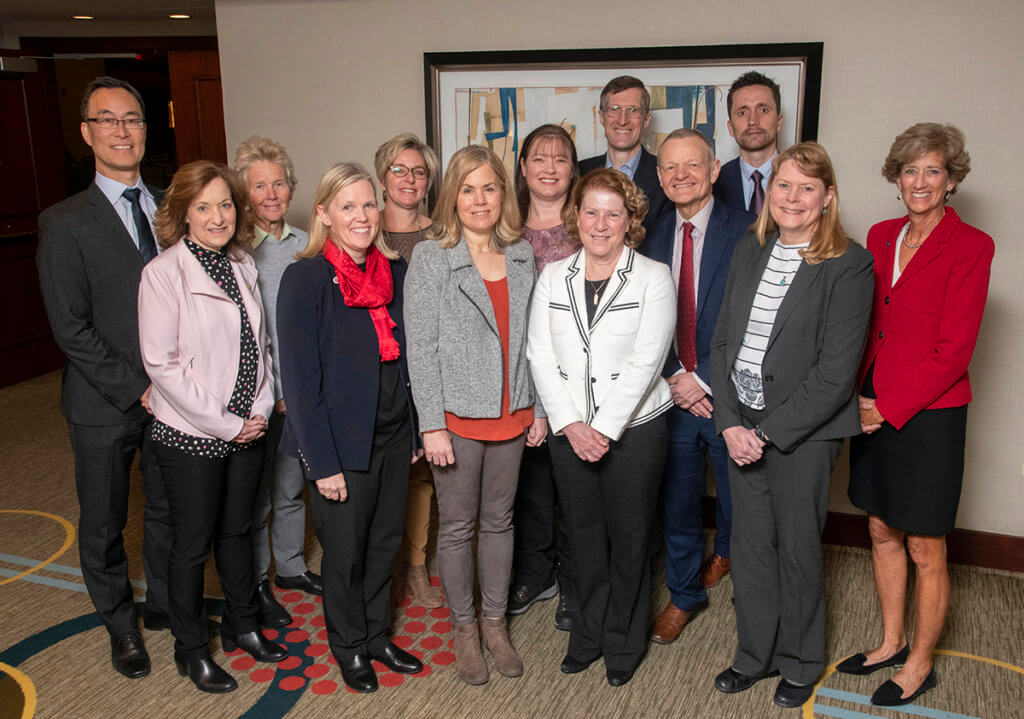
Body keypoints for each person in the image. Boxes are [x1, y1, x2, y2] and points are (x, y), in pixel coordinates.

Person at [710, 142, 873, 709]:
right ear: (769, 192)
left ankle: (802, 660)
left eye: (808, 187)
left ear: (827, 197)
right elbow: (724, 342)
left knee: (798, 548)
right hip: (741, 424)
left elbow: (834, 375)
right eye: (784, 185)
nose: (793, 197)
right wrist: (731, 423)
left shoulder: (849, 263)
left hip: (801, 434)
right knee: (751, 548)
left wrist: (768, 434)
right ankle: (755, 655)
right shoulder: (749, 251)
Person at [838, 123, 994, 708]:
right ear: (895, 178)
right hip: (870, 402)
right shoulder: (879, 235)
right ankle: (889, 641)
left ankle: (920, 663)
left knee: (926, 544)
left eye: (933, 170)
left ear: (951, 180)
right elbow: (863, 321)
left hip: (927, 413)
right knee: (880, 528)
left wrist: (887, 407)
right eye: (910, 170)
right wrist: (855, 398)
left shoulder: (973, 246)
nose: (920, 181)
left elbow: (953, 351)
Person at [36, 76, 172, 679]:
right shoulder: (64, 223)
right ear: (88, 133)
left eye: (133, 119)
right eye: (108, 120)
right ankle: (121, 628)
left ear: (146, 129)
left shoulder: (172, 209)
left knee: (171, 510)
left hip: (175, 400)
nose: (123, 131)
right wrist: (136, 386)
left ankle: (169, 606)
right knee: (104, 522)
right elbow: (71, 330)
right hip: (103, 403)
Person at [138, 161, 288, 693]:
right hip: (194, 435)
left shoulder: (242, 263)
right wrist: (227, 423)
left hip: (249, 426)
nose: (217, 216)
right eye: (203, 206)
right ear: (182, 214)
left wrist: (262, 409)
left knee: (238, 531)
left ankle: (244, 626)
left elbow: (259, 347)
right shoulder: (163, 273)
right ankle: (191, 648)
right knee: (192, 544)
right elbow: (163, 366)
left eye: (225, 203)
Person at [276, 162, 424, 693]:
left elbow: (404, 363)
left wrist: (409, 431)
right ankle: (349, 647)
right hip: (339, 445)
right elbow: (299, 380)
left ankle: (377, 634)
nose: (361, 216)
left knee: (385, 543)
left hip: (389, 436)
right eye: (347, 206)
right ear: (324, 214)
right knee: (346, 553)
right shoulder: (306, 277)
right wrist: (323, 463)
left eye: (368, 204)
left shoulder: (393, 271)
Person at [528, 168, 676, 687]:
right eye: (591, 211)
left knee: (629, 537)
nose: (600, 222)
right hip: (572, 428)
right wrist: (570, 423)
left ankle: (623, 642)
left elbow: (647, 361)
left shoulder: (653, 277)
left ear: (631, 219)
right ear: (576, 217)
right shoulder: (554, 276)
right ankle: (587, 636)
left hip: (635, 429)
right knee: (583, 536)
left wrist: (604, 429)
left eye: (614, 212)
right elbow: (540, 354)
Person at [405, 145, 546, 685]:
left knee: (499, 522)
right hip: (457, 419)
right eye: (468, 189)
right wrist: (431, 423)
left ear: (503, 194)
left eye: (489, 187)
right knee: (459, 527)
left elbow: (532, 340)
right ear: (452, 197)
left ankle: (494, 623)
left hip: (513, 414)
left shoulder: (521, 254)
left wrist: (533, 405)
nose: (480, 199)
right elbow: (422, 347)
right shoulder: (432, 257)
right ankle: (464, 628)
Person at [642, 129, 754, 645]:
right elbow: (638, 317)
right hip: (669, 398)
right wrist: (673, 375)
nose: (680, 176)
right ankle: (684, 594)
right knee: (679, 502)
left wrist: (703, 377)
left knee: (738, 499)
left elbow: (755, 318)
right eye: (669, 167)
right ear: (660, 176)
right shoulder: (648, 233)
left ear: (714, 171)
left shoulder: (750, 230)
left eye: (692, 166)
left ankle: (732, 559)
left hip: (728, 393)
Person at [233, 135, 320, 632]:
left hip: (300, 394)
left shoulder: (308, 244)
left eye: (279, 183)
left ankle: (290, 567)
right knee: (257, 499)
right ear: (244, 192)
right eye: (259, 185)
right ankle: (259, 581)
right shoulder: (236, 248)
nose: (271, 194)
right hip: (258, 397)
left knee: (290, 489)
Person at [508, 124, 580, 630]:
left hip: (578, 381)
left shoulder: (591, 227)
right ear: (524, 168)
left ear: (573, 170)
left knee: (576, 487)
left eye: (560, 159)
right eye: (539, 157)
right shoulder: (503, 232)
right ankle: (536, 572)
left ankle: (575, 582)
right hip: (518, 380)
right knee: (528, 485)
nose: (549, 167)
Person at [372, 132, 444, 609]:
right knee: (381, 470)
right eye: (399, 170)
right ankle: (383, 564)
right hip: (378, 367)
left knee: (422, 473)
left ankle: (415, 565)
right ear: (382, 177)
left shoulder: (441, 234)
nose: (409, 179)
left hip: (429, 364)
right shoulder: (364, 228)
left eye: (418, 171)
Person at [578, 75, 671, 239]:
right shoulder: (579, 173)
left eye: (633, 110)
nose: (623, 120)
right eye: (614, 109)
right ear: (601, 117)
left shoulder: (666, 175)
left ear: (646, 119)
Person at [712, 71, 784, 215]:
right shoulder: (714, 184)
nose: (753, 121)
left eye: (763, 110)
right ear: (730, 127)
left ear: (779, 122)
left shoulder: (802, 179)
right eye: (742, 113)